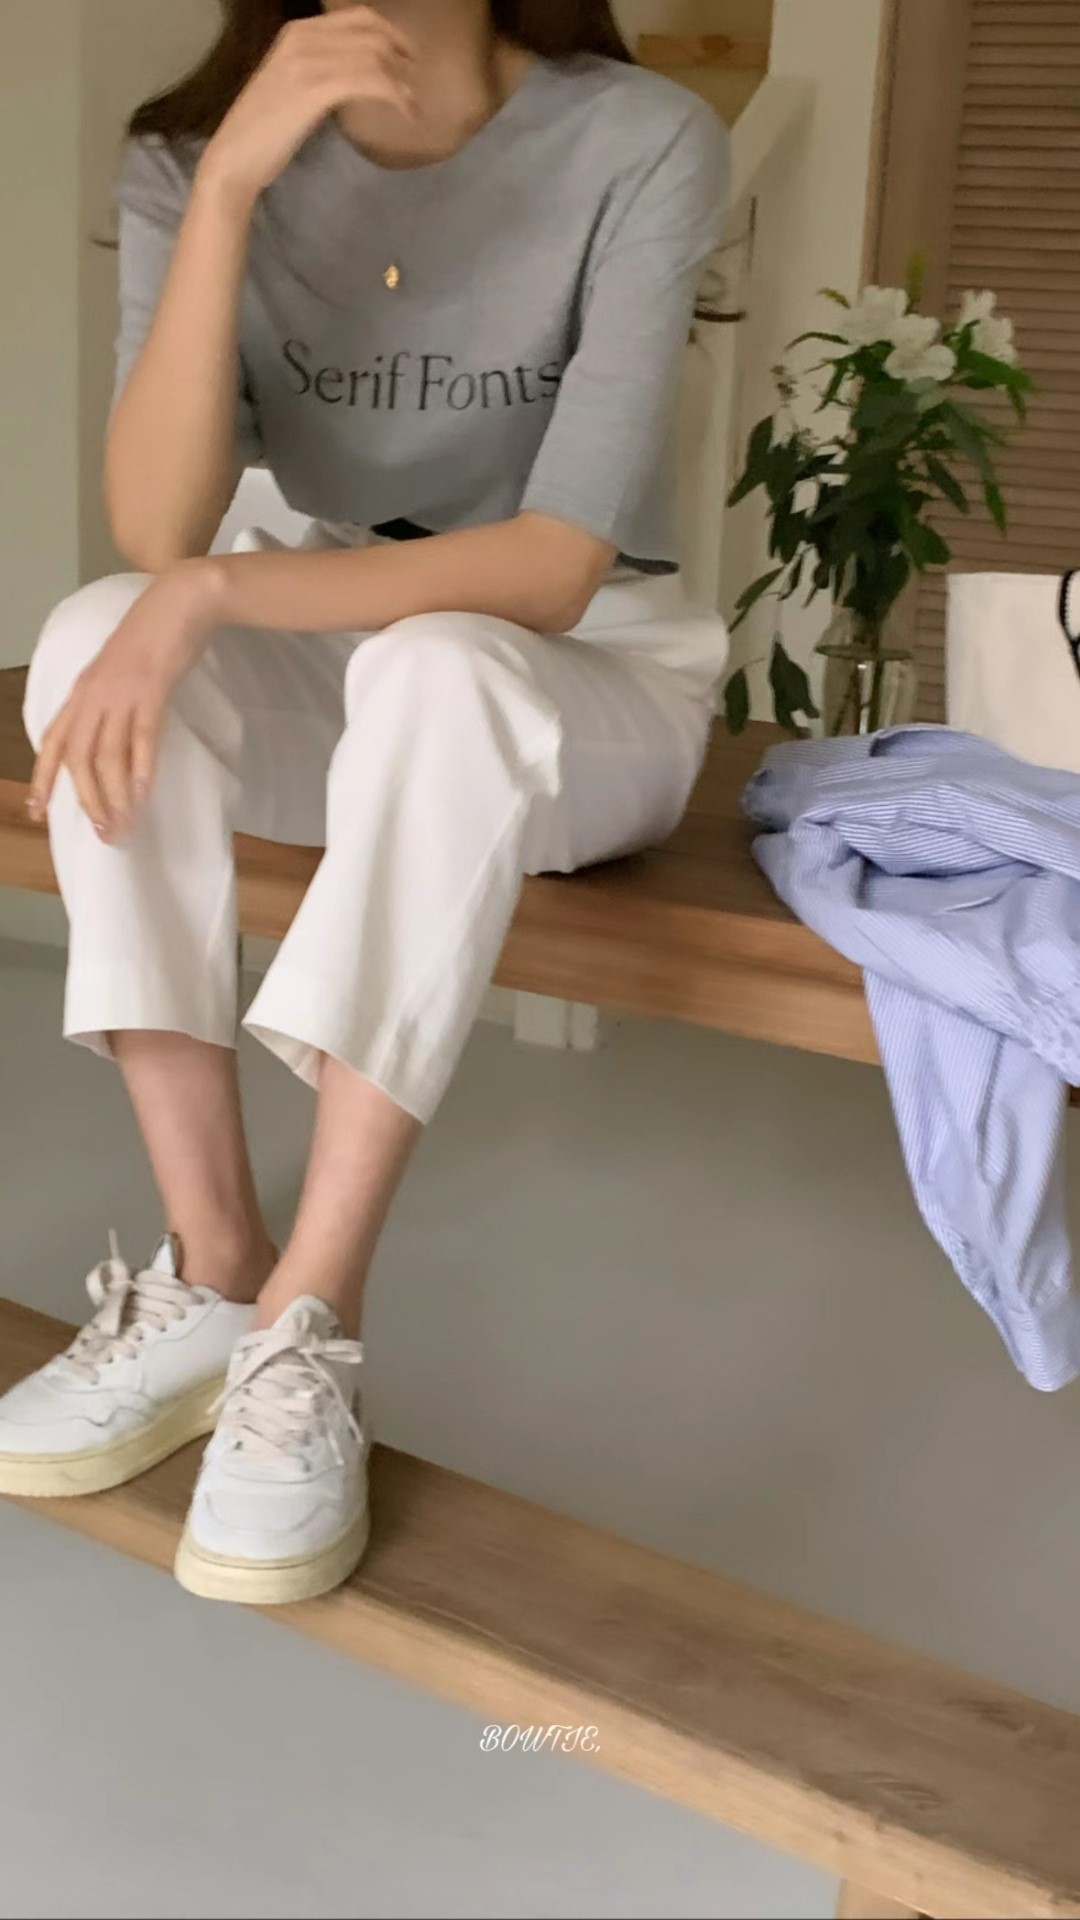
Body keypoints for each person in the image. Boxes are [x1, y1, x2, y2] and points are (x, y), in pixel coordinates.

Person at [0, 0, 729, 1605]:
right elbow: (156, 526)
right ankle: (214, 1265)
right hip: (335, 650)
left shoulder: (639, 140)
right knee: (89, 635)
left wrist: (206, 595)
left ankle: (308, 1322)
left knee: (443, 669)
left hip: (584, 682)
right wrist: (229, 192)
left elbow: (553, 567)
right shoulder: (189, 154)